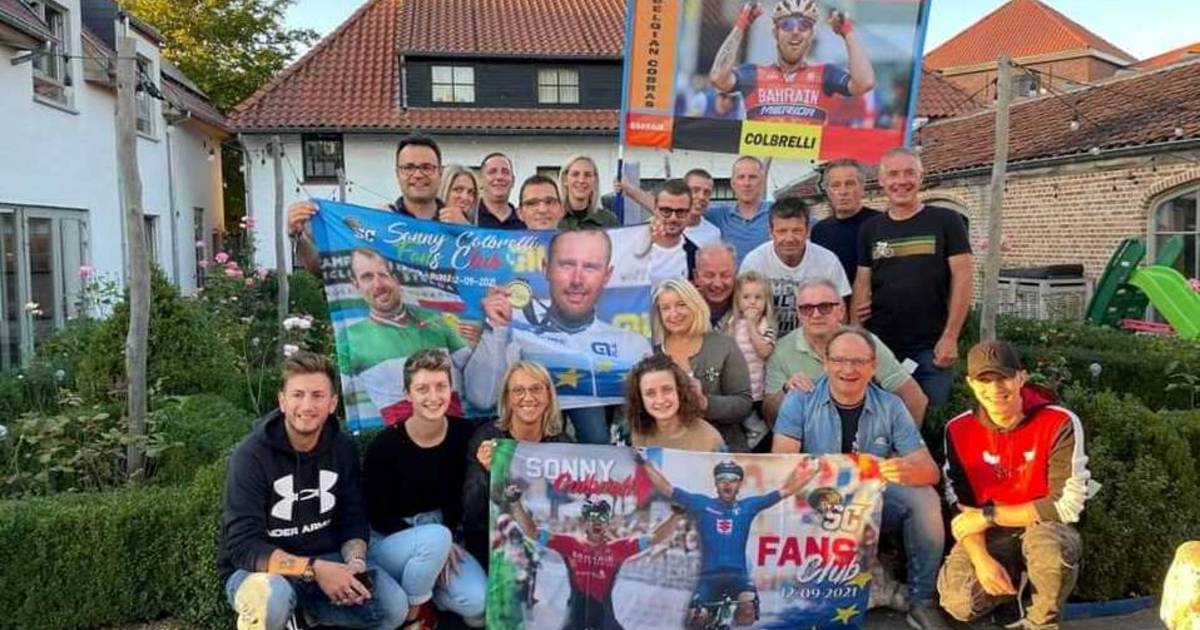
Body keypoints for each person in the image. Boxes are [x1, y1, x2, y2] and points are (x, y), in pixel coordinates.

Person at [771, 328, 948, 630]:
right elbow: (782, 464)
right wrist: (843, 474)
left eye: (858, 361)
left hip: (872, 499)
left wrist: (898, 469)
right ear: (825, 363)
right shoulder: (800, 400)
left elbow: (929, 470)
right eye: (840, 360)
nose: (848, 369)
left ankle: (922, 601)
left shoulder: (891, 405)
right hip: (817, 498)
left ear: (873, 366)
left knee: (926, 500)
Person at [218, 351, 407, 630]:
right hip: (261, 572)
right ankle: (281, 614)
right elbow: (243, 546)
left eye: (318, 395)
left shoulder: (342, 449)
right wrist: (314, 569)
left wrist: (355, 563)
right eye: (298, 395)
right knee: (270, 599)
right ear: (282, 401)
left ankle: (304, 617)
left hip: (327, 558)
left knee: (392, 608)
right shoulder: (251, 456)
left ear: (332, 403)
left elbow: (353, 519)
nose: (307, 405)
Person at [937, 341, 1096, 630]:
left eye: (1004, 377)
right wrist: (981, 559)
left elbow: (1067, 505)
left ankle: (1041, 621)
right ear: (970, 383)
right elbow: (961, 508)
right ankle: (1012, 599)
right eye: (984, 380)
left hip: (1044, 525)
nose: (995, 388)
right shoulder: (957, 429)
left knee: (1048, 551)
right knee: (958, 601)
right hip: (990, 532)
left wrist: (989, 515)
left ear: (1021, 377)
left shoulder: (1060, 422)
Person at [463, 228, 652, 444]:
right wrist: (495, 328)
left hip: (590, 445)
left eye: (590, 267)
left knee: (596, 436)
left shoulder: (631, 343)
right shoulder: (512, 324)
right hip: (526, 441)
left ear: (607, 275)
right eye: (567, 265)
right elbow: (481, 400)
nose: (577, 280)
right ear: (546, 268)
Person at [362, 350, 487, 629]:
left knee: (477, 601)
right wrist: (434, 544)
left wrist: (445, 543)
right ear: (408, 394)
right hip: (391, 538)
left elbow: (464, 498)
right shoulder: (384, 446)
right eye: (422, 389)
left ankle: (432, 594)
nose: (433, 396)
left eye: (440, 386)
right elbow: (376, 515)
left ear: (450, 389)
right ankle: (415, 613)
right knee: (434, 539)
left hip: (444, 534)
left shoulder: (464, 434)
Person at [852, 147, 973, 407]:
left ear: (920, 177)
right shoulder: (870, 229)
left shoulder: (947, 220)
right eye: (893, 174)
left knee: (931, 418)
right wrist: (856, 335)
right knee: (877, 419)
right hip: (881, 347)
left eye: (909, 173)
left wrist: (950, 336)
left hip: (931, 347)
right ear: (881, 180)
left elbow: (963, 278)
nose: (901, 181)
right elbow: (862, 282)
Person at [639, 457, 815, 628]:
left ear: (739, 485)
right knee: (695, 621)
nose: (727, 484)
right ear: (716, 483)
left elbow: (786, 491)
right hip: (709, 577)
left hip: (738, 577)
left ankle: (730, 623)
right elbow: (667, 488)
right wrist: (643, 461)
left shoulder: (748, 506)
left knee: (747, 613)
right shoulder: (701, 504)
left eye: (733, 480)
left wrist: (813, 471)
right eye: (722, 479)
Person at [286, 134, 464, 275]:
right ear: (397, 173)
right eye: (408, 168)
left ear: (440, 173)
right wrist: (298, 236)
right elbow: (325, 268)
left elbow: (479, 277)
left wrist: (467, 234)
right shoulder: (376, 226)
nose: (417, 175)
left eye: (426, 167)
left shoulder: (459, 225)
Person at [506, 493, 683, 630]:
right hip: (575, 616)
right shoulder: (570, 544)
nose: (597, 522)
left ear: (608, 523)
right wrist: (515, 503)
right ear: (585, 521)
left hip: (604, 617)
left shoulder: (618, 549)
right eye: (593, 517)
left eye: (602, 518)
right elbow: (532, 532)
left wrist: (676, 515)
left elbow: (654, 538)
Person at [763, 278, 928, 425]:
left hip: (865, 440)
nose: (816, 314)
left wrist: (903, 447)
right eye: (807, 308)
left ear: (841, 311)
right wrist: (786, 391)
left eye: (825, 307)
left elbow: (915, 399)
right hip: (806, 443)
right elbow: (770, 416)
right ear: (798, 314)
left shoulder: (866, 344)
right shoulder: (781, 350)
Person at [336, 248, 471, 425]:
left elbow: (474, 373)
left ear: (395, 279)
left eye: (383, 275)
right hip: (400, 435)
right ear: (356, 285)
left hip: (455, 429)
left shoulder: (436, 320)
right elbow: (335, 395)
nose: (378, 284)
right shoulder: (350, 337)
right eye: (367, 277)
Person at [462, 361, 572, 568]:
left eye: (536, 389)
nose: (528, 397)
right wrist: (488, 475)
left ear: (549, 395)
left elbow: (570, 510)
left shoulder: (563, 444)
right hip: (492, 550)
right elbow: (472, 512)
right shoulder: (487, 438)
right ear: (507, 399)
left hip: (545, 551)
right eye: (518, 391)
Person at [709, 0, 875, 123]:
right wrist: (741, 25)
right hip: (760, 159)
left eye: (804, 25)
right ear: (775, 33)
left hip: (805, 160)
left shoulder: (826, 75)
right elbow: (718, 79)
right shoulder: (753, 74)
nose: (795, 31)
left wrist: (848, 33)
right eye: (787, 25)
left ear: (811, 35)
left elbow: (865, 83)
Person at [653, 279, 754, 452]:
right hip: (669, 451)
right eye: (666, 308)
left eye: (681, 305)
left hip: (722, 449)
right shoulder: (652, 354)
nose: (674, 313)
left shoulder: (724, 345)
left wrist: (705, 403)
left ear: (695, 305)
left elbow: (743, 404)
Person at [739, 197, 850, 336]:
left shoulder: (828, 261)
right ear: (770, 232)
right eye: (782, 231)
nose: (789, 238)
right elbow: (741, 312)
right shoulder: (754, 262)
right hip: (764, 341)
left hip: (814, 339)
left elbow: (840, 314)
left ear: (808, 231)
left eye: (797, 231)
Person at [626, 352, 726, 452]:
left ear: (680, 391)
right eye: (650, 393)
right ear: (640, 398)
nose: (660, 400)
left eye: (667, 389)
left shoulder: (709, 439)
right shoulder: (639, 434)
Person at [722, 271, 777, 448]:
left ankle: (759, 433)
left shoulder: (766, 325)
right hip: (735, 387)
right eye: (746, 297)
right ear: (738, 300)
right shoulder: (731, 322)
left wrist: (752, 325)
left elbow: (764, 351)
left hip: (757, 390)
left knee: (753, 420)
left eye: (758, 297)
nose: (752, 302)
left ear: (766, 301)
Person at [810, 158, 881, 286]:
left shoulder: (880, 224)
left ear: (862, 187)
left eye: (849, 184)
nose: (843, 192)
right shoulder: (819, 231)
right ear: (827, 191)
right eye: (835, 185)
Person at [703, 156, 772, 265]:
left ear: (762, 181)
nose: (746, 183)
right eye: (741, 177)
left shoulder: (777, 213)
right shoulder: (719, 216)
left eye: (753, 177)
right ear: (733, 183)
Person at [646, 178, 700, 288]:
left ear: (690, 212)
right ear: (655, 209)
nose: (673, 218)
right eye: (666, 211)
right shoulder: (633, 246)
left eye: (681, 212)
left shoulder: (695, 255)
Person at [558, 154, 620, 229]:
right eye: (575, 174)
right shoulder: (554, 218)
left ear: (595, 180)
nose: (581, 180)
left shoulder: (608, 221)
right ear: (565, 179)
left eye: (587, 175)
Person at [691, 242, 739, 327]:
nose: (717, 284)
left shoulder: (748, 307)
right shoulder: (682, 310)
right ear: (696, 277)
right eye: (709, 276)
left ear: (735, 275)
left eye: (725, 275)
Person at [476, 152, 524, 229]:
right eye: (492, 172)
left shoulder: (524, 221)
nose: (499, 177)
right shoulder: (469, 217)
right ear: (481, 180)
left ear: (513, 181)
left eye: (505, 172)